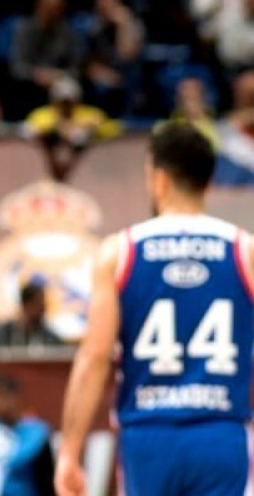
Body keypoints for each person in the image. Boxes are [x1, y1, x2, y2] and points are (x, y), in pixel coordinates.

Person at [55, 121, 254, 496]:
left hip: (148, 434)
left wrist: (69, 450)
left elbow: (94, 357)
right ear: (208, 182)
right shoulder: (244, 249)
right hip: (220, 432)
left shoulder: (120, 251)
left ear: (159, 179)